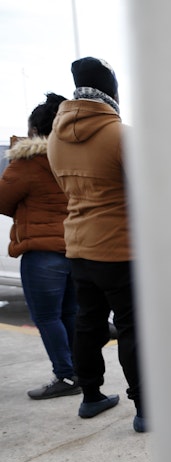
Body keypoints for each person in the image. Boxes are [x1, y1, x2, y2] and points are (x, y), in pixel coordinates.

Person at [47, 57, 146, 432]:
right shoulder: (121, 135)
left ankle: (90, 396)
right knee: (133, 327)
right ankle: (145, 407)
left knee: (87, 323)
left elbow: (64, 189)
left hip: (78, 246)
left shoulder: (55, 137)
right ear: (111, 90)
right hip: (120, 248)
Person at [0, 93, 79, 399]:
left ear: (34, 129)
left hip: (42, 254)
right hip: (74, 247)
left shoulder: (29, 161)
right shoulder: (74, 156)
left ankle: (66, 375)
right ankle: (80, 374)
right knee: (70, 314)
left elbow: (3, 200)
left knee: (47, 317)